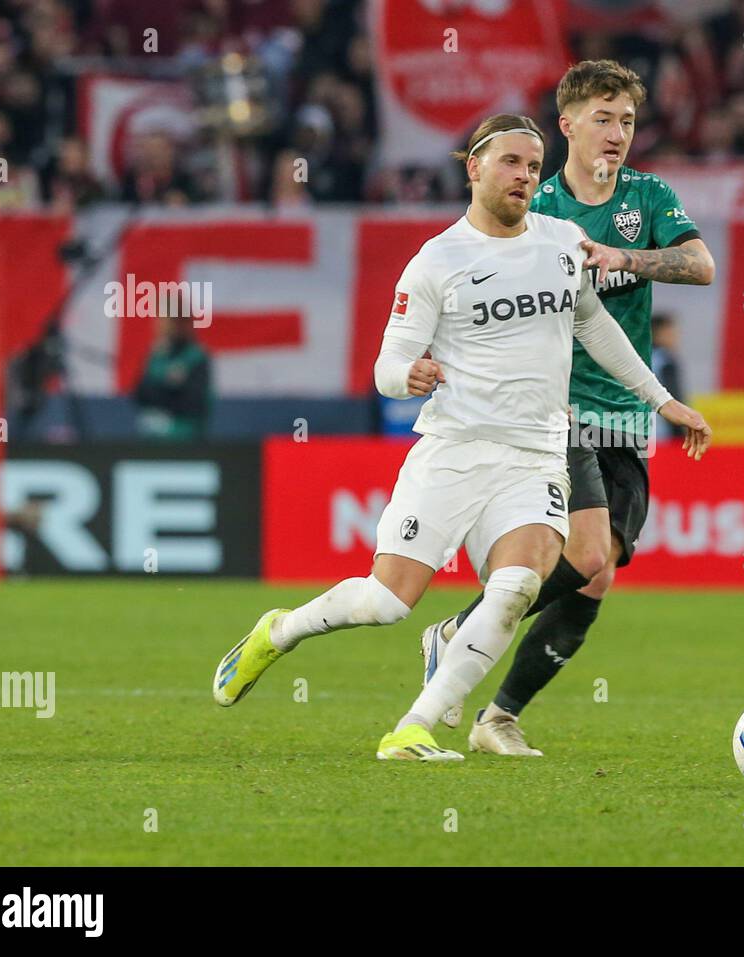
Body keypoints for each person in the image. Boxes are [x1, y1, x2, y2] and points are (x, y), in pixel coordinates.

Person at [210, 113, 711, 762]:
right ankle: (278, 631)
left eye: (534, 165)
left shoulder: (561, 243)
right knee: (389, 600)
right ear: (474, 168)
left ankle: (413, 727)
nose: (525, 176)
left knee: (518, 587)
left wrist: (663, 399)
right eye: (510, 162)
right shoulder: (437, 262)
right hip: (455, 451)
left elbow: (596, 329)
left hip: (535, 454)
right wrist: (408, 374)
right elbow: (386, 366)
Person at [417, 60, 715, 756]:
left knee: (599, 568)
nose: (618, 134)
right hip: (557, 408)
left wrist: (625, 257)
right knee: (581, 552)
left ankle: (498, 714)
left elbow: (701, 265)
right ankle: (462, 637)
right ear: (569, 125)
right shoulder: (538, 207)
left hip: (626, 416)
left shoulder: (649, 196)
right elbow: (474, 283)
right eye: (604, 119)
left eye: (629, 122)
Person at [132, 313, 211, 440]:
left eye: (165, 320)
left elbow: (194, 402)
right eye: (158, 319)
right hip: (152, 433)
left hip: (186, 435)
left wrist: (163, 391)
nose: (160, 324)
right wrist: (168, 386)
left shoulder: (196, 356)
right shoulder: (156, 355)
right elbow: (140, 394)